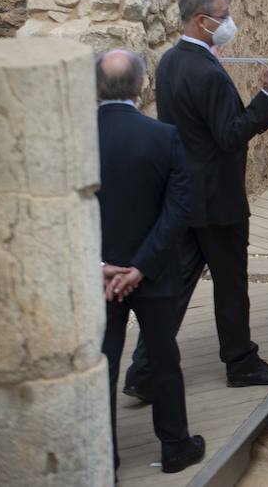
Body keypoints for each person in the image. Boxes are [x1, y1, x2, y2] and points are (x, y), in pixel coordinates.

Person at [123, 0, 268, 400]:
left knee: (177, 287)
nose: (230, 22)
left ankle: (143, 371)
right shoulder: (205, 72)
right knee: (231, 283)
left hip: (185, 195)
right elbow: (231, 135)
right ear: (203, 22)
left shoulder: (170, 63)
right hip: (219, 200)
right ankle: (241, 363)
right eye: (225, 15)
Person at [94, 50, 206, 474]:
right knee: (163, 358)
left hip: (99, 276)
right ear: (141, 86)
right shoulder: (164, 137)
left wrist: (101, 264)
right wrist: (140, 267)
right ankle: (176, 446)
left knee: (100, 364)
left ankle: (104, 458)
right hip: (154, 271)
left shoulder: (76, 137)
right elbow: (177, 212)